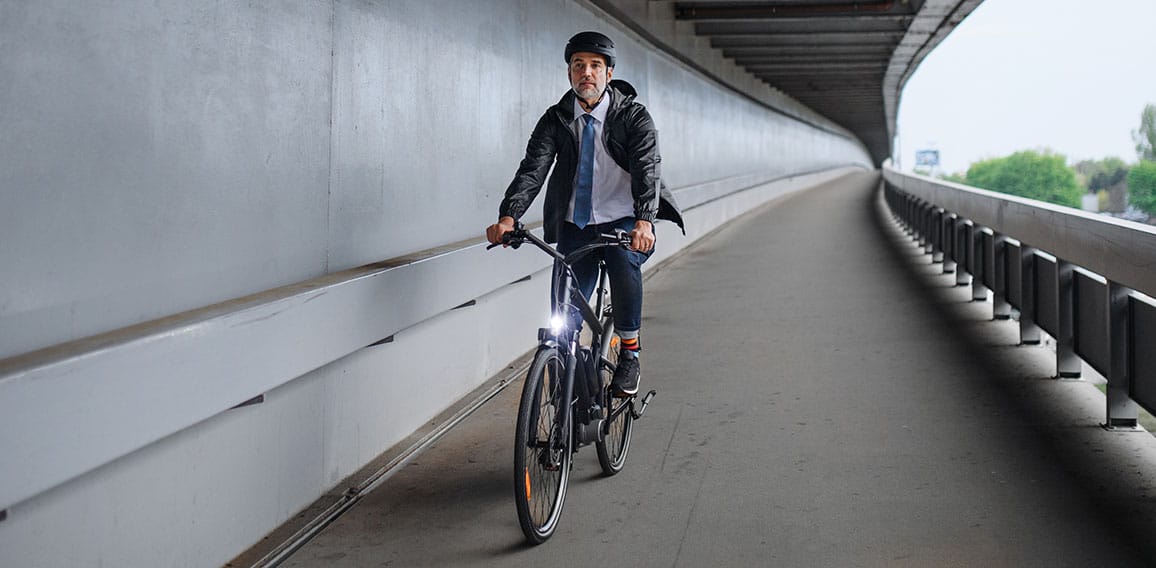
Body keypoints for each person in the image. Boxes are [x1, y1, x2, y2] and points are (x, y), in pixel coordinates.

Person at [485, 31, 684, 397]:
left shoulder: (633, 117)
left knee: (625, 262)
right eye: (579, 66)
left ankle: (629, 352)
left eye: (595, 65)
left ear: (609, 73)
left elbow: (647, 170)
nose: (586, 73)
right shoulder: (557, 119)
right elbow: (533, 169)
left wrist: (644, 221)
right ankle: (566, 398)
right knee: (564, 318)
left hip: (626, 221)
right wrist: (509, 218)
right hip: (578, 225)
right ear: (569, 74)